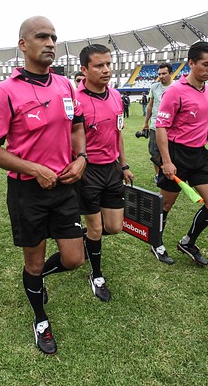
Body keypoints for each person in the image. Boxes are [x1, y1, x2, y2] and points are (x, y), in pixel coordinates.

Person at [0, 16, 88, 355]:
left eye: (54, 37)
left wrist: (81, 157)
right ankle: (40, 318)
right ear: (23, 44)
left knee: (74, 259)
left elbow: (76, 127)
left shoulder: (66, 86)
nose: (51, 43)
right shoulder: (6, 90)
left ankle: (35, 280)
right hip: (28, 190)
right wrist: (34, 169)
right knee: (34, 261)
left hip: (64, 186)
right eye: (42, 36)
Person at [155, 41, 208, 267]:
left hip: (199, 156)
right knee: (166, 206)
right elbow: (161, 128)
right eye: (206, 64)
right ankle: (156, 242)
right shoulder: (174, 92)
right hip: (176, 155)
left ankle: (188, 242)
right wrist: (166, 162)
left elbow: (203, 125)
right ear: (191, 63)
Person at [75, 44, 133, 302]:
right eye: (99, 65)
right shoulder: (75, 101)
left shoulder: (116, 96)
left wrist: (124, 165)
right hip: (88, 171)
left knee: (115, 227)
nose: (106, 70)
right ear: (84, 70)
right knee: (96, 228)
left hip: (112, 170)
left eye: (108, 64)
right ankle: (96, 275)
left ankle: (86, 240)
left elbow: (118, 134)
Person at [142, 63, 174, 264]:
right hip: (155, 126)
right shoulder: (154, 87)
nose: (161, 76)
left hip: (170, 127)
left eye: (164, 73)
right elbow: (151, 105)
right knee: (154, 153)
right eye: (159, 73)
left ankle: (163, 173)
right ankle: (158, 174)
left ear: (171, 74)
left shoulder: (176, 87)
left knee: (166, 155)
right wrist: (145, 122)